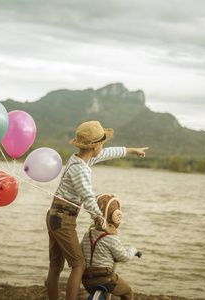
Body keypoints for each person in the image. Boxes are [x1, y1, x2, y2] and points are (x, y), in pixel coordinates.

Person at [46, 120, 148, 300]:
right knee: (79, 265)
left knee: (55, 266)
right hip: (63, 219)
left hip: (54, 214)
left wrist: (131, 150)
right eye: (102, 143)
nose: (103, 147)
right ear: (95, 147)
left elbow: (108, 153)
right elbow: (88, 198)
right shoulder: (81, 170)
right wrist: (102, 222)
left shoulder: (77, 158)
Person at [81, 193, 138, 300]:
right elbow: (124, 257)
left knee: (103, 294)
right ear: (117, 216)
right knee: (127, 291)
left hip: (86, 280)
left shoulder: (87, 234)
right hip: (105, 278)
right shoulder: (111, 238)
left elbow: (81, 251)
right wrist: (134, 250)